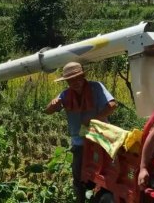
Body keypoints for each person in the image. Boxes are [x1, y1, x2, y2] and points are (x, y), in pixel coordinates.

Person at [45, 62, 117, 203]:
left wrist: (93, 120)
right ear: (67, 82)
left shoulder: (96, 87)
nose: (75, 82)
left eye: (78, 78)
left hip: (100, 138)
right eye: (71, 80)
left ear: (83, 76)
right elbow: (48, 111)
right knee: (79, 178)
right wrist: (52, 105)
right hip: (79, 141)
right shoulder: (65, 95)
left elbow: (112, 105)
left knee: (104, 175)